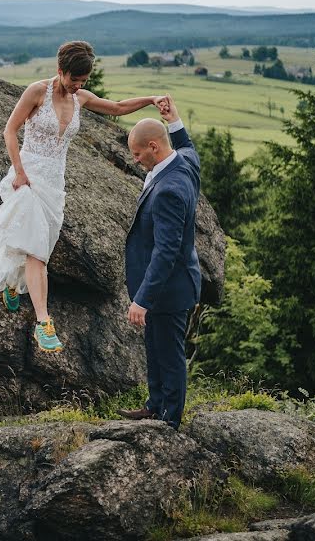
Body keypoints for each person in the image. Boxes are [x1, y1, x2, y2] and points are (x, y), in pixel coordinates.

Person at [0, 40, 163, 353]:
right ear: (60, 71)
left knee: (38, 243)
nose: (79, 86)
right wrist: (19, 172)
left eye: (84, 81)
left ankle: (12, 283)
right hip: (29, 177)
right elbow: (10, 130)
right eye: (74, 79)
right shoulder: (37, 92)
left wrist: (152, 99)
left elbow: (117, 108)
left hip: (54, 184)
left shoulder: (81, 98)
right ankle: (43, 322)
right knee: (38, 252)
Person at [118, 95, 201, 430]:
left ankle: (170, 421)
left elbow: (166, 251)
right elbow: (187, 144)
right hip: (168, 286)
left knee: (169, 356)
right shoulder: (185, 160)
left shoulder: (170, 188)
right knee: (154, 349)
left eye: (138, 154)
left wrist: (143, 299)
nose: (135, 160)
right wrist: (174, 119)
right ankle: (154, 405)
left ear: (153, 147)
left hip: (169, 289)